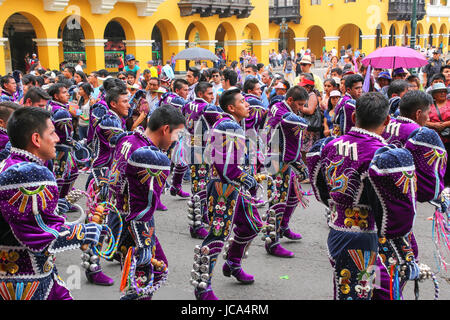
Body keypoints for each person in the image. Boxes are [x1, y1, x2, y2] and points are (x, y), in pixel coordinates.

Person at [307, 92, 420, 300]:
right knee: (356, 293)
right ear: (387, 120)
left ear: (353, 117)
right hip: (365, 237)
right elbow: (398, 212)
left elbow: (321, 190)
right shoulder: (381, 153)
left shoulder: (329, 145)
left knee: (363, 288)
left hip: (339, 231)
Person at [0, 107, 104, 300]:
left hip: (37, 275)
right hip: (26, 283)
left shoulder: (12, 163)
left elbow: (23, 218)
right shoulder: (29, 174)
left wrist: (56, 206)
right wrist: (83, 233)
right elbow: (38, 234)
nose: (57, 138)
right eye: (52, 133)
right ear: (36, 139)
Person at [108, 105, 185, 300]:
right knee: (150, 273)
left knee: (140, 275)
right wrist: (144, 243)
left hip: (116, 218)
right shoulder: (149, 156)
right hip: (133, 226)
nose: (177, 141)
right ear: (165, 129)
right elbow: (143, 208)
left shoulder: (128, 138)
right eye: (177, 134)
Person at [375, 90, 446, 300]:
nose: (429, 117)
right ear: (417, 113)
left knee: (378, 261)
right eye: (428, 112)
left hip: (371, 208)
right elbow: (428, 189)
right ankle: (385, 295)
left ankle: (378, 292)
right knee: (398, 261)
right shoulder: (418, 134)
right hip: (396, 213)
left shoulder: (383, 124)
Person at [190, 88, 260, 300]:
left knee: (252, 224)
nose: (247, 105)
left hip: (235, 187)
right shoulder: (229, 125)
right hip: (224, 189)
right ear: (231, 107)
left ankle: (232, 262)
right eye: (242, 102)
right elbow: (226, 167)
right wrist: (247, 179)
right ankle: (202, 287)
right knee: (217, 236)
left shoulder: (232, 123)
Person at [85, 86, 130, 286]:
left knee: (116, 218)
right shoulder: (110, 122)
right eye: (125, 101)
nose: (130, 105)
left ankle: (114, 252)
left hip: (110, 175)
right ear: (113, 104)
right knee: (98, 224)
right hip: (103, 176)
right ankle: (92, 269)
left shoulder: (115, 119)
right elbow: (123, 144)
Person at [263, 86, 309, 258]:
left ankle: (282, 227)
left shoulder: (278, 105)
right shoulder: (287, 115)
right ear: (290, 100)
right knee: (277, 202)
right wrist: (300, 166)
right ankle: (271, 242)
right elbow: (298, 130)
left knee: (292, 196)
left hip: (277, 157)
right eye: (299, 104)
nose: (301, 108)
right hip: (278, 160)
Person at [183, 82, 223, 239]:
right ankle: (195, 226)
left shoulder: (187, 105)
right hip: (203, 150)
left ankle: (203, 215)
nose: (212, 97)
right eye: (209, 94)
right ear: (200, 94)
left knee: (200, 184)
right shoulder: (208, 108)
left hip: (191, 147)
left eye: (212, 94)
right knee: (201, 187)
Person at [426, 82, 450, 185]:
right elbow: (424, 121)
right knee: (438, 162)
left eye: (444, 91)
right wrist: (434, 125)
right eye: (439, 92)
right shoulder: (429, 107)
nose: (442, 93)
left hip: (448, 138)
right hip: (436, 140)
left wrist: (445, 124)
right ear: (434, 94)